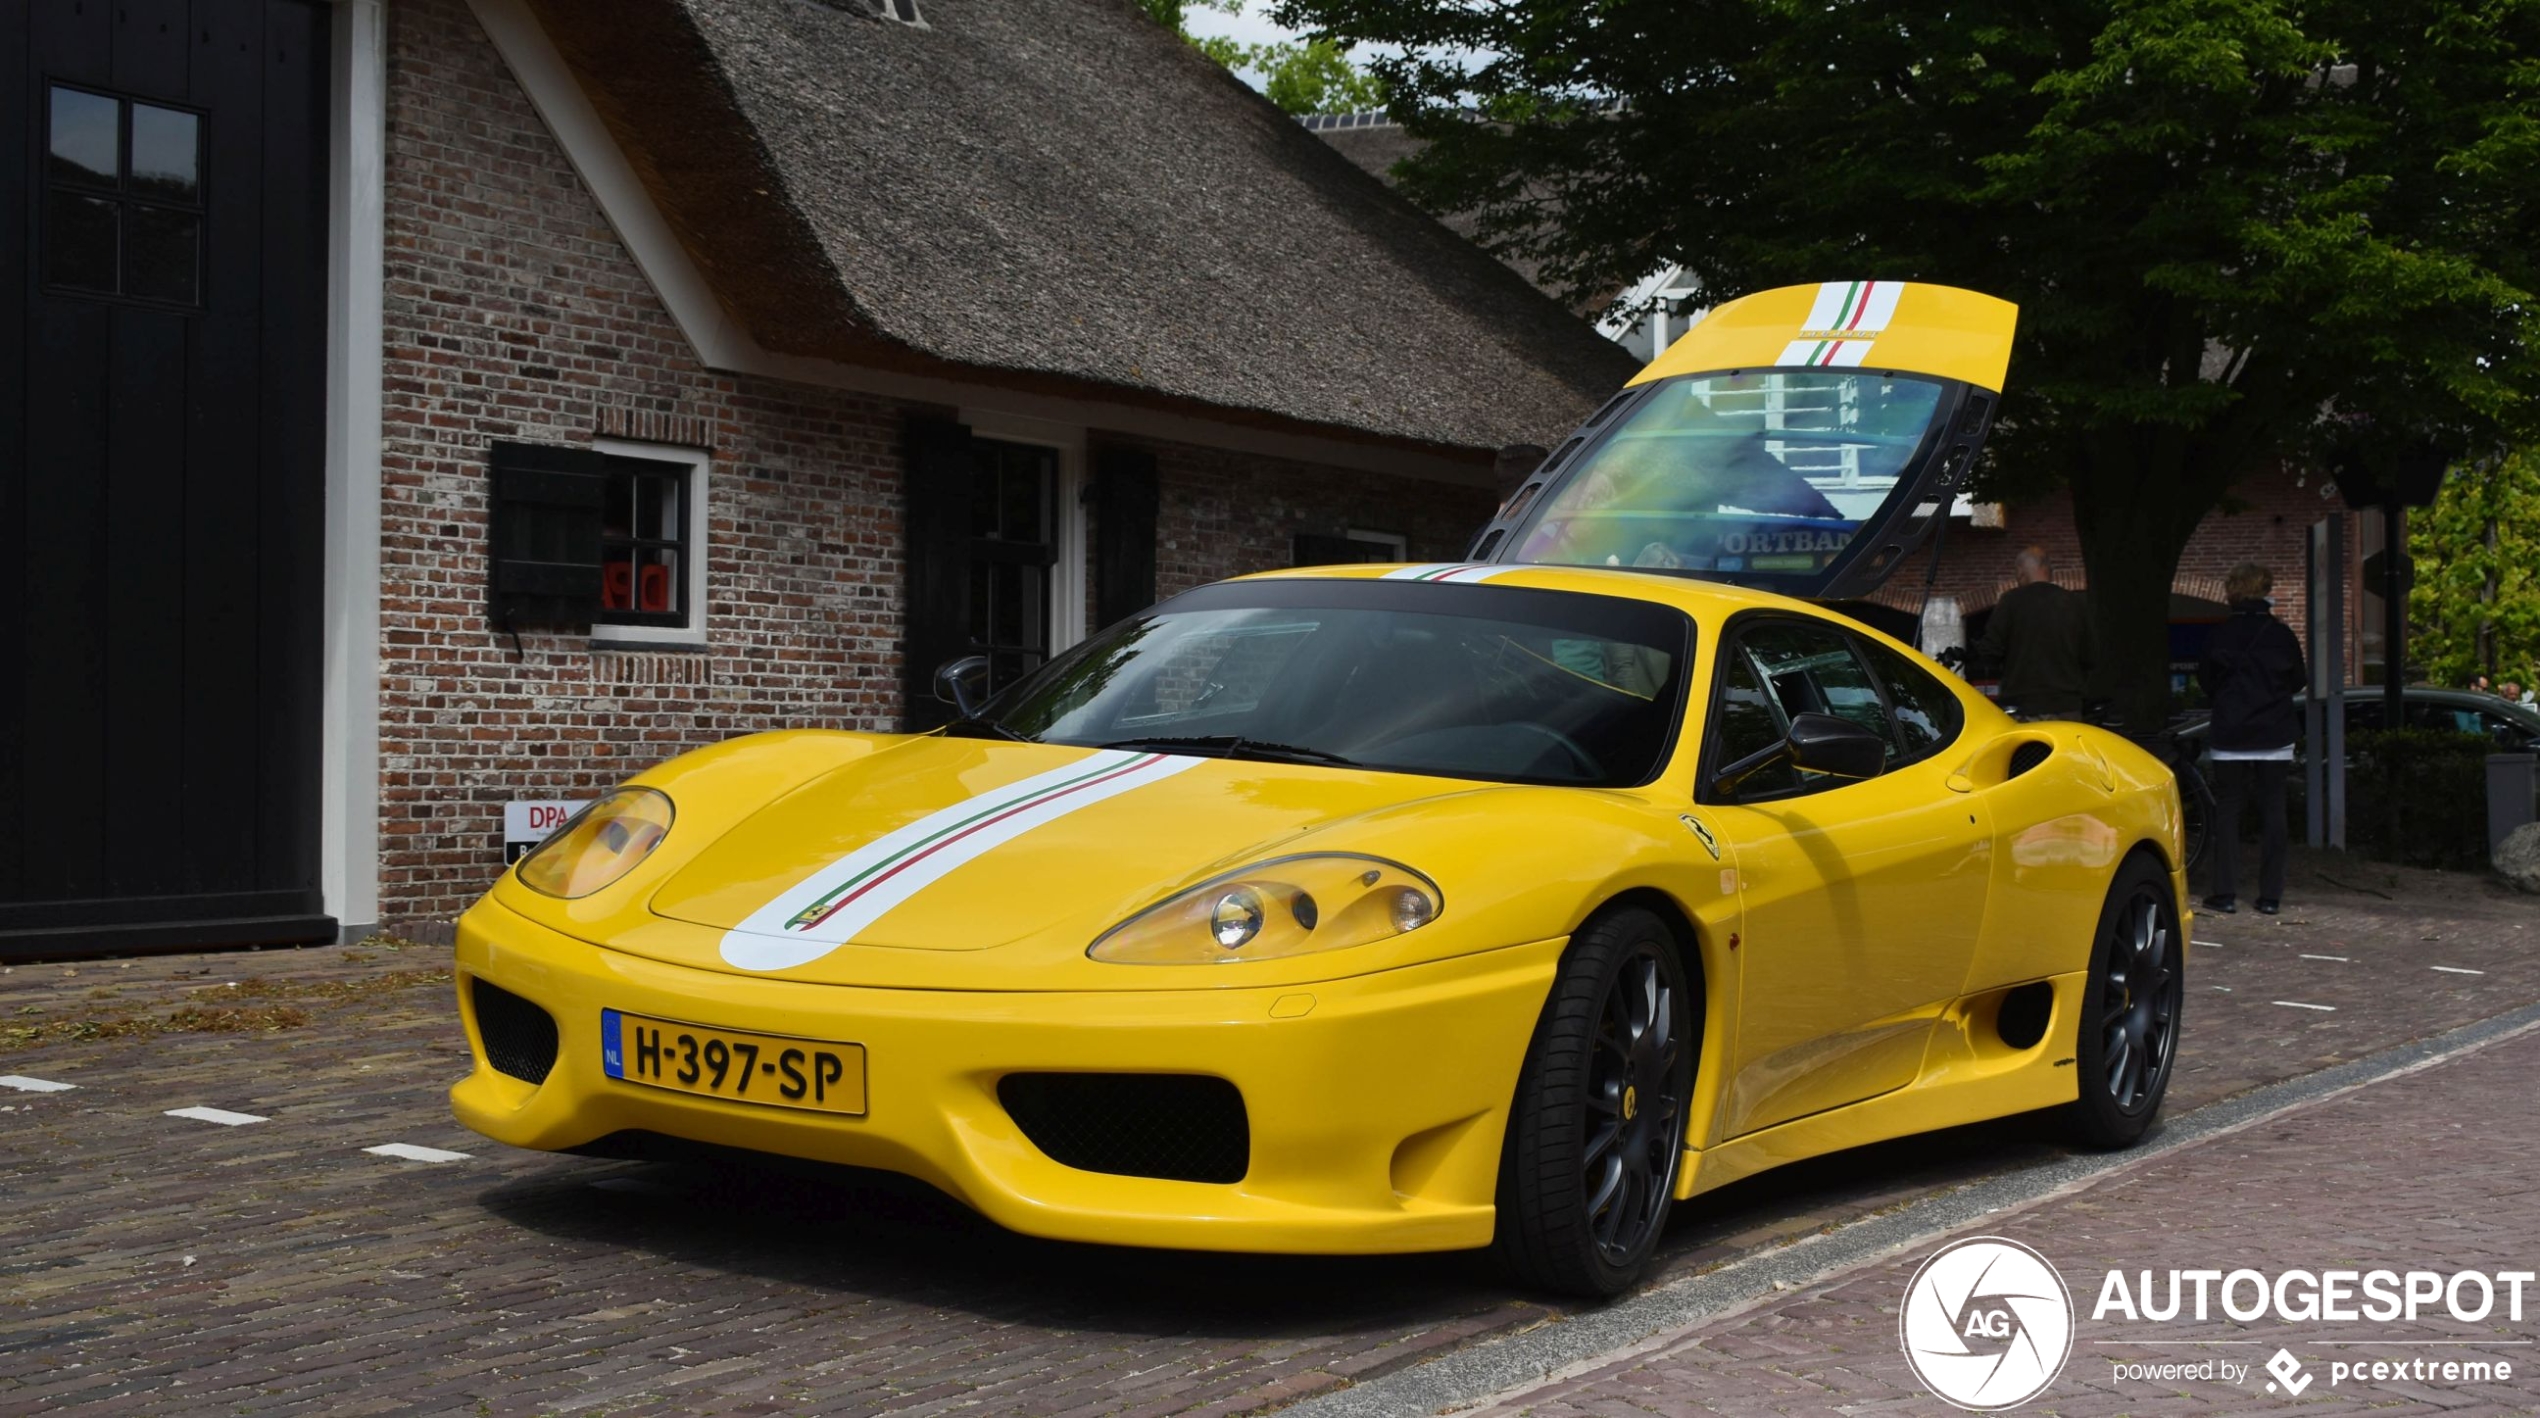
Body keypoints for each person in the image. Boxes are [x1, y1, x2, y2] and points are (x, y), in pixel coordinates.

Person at [2197, 562, 2306, 916]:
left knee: (2228, 811)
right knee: (2274, 810)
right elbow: (2298, 680)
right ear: (2265, 591)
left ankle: (2225, 893)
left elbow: (2206, 681)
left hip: (2230, 733)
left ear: (2232, 591)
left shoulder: (2220, 634)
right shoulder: (2281, 635)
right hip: (2274, 732)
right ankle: (2270, 896)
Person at [1975, 547, 2094, 719]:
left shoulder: (2011, 601)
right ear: (2048, 570)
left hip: (2024, 707)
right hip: (2067, 706)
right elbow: (2090, 656)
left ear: (2021, 572)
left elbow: (1991, 651)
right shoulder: (2073, 602)